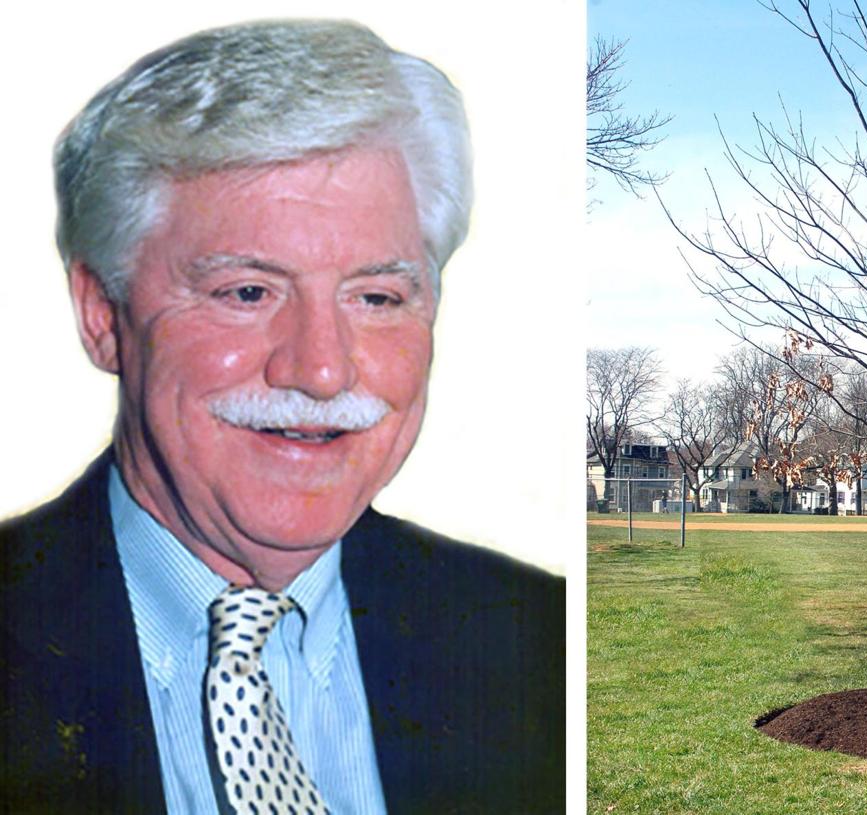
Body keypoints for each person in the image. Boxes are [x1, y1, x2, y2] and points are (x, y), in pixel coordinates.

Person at [0, 19, 564, 814]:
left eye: (375, 296)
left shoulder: (536, 643)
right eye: (247, 292)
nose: (322, 369)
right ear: (101, 314)